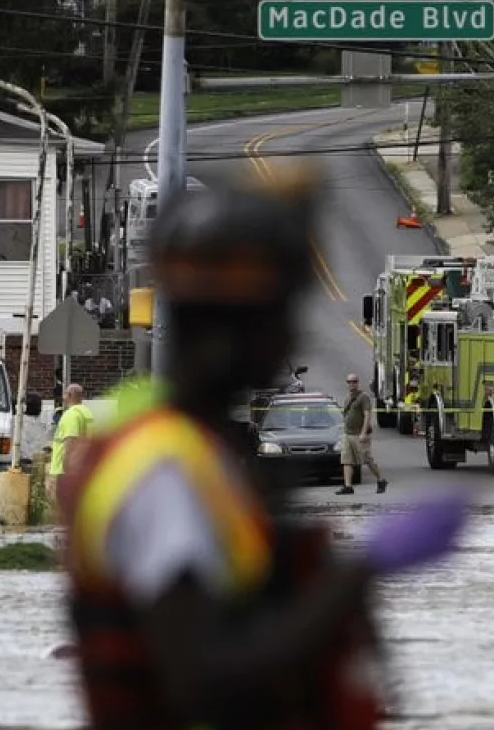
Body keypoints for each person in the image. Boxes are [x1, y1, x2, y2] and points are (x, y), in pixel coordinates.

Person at [56, 162, 471, 730]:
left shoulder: (187, 447)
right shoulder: (164, 472)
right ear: (229, 328)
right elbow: (204, 680)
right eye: (280, 318)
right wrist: (361, 574)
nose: (292, 339)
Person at [338, 373, 387, 496]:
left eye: (354, 381)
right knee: (346, 460)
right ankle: (348, 486)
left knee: (367, 459)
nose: (352, 384)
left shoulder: (363, 397)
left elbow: (367, 415)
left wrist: (364, 433)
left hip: (359, 435)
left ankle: (381, 480)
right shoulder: (348, 398)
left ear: (357, 383)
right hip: (348, 434)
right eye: (349, 382)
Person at [48, 383, 92, 512]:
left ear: (70, 395)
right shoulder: (86, 412)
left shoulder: (71, 415)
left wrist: (66, 465)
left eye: (65, 394)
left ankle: (61, 526)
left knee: (55, 496)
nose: (63, 397)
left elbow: (70, 440)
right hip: (82, 464)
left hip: (62, 468)